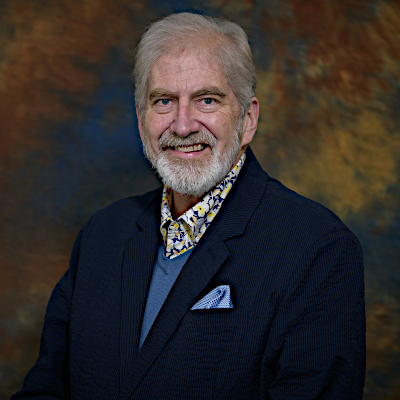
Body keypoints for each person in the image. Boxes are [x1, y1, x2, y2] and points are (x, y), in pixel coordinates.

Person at [13, 12, 365, 400]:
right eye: (164, 101)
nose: (182, 126)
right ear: (141, 119)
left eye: (207, 100)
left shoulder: (317, 247)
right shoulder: (103, 234)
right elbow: (46, 387)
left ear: (248, 119)